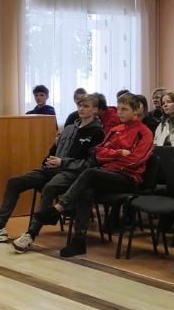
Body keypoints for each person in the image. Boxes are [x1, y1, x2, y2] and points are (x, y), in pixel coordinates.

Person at [0, 94, 104, 250]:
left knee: (49, 188)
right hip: (51, 169)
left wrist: (63, 162)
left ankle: (30, 234)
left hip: (71, 173)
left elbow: (90, 164)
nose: (81, 109)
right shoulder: (69, 128)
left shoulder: (97, 132)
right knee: (15, 182)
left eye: (86, 106)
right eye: (80, 106)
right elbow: (53, 150)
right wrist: (47, 161)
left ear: (95, 110)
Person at [36, 93, 154, 258]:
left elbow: (135, 160)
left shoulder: (144, 133)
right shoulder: (115, 130)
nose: (119, 112)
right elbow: (97, 153)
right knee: (85, 190)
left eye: (124, 109)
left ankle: (59, 208)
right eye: (118, 108)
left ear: (135, 111)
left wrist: (111, 158)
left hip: (128, 178)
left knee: (89, 173)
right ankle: (78, 241)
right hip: (105, 174)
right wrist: (118, 153)